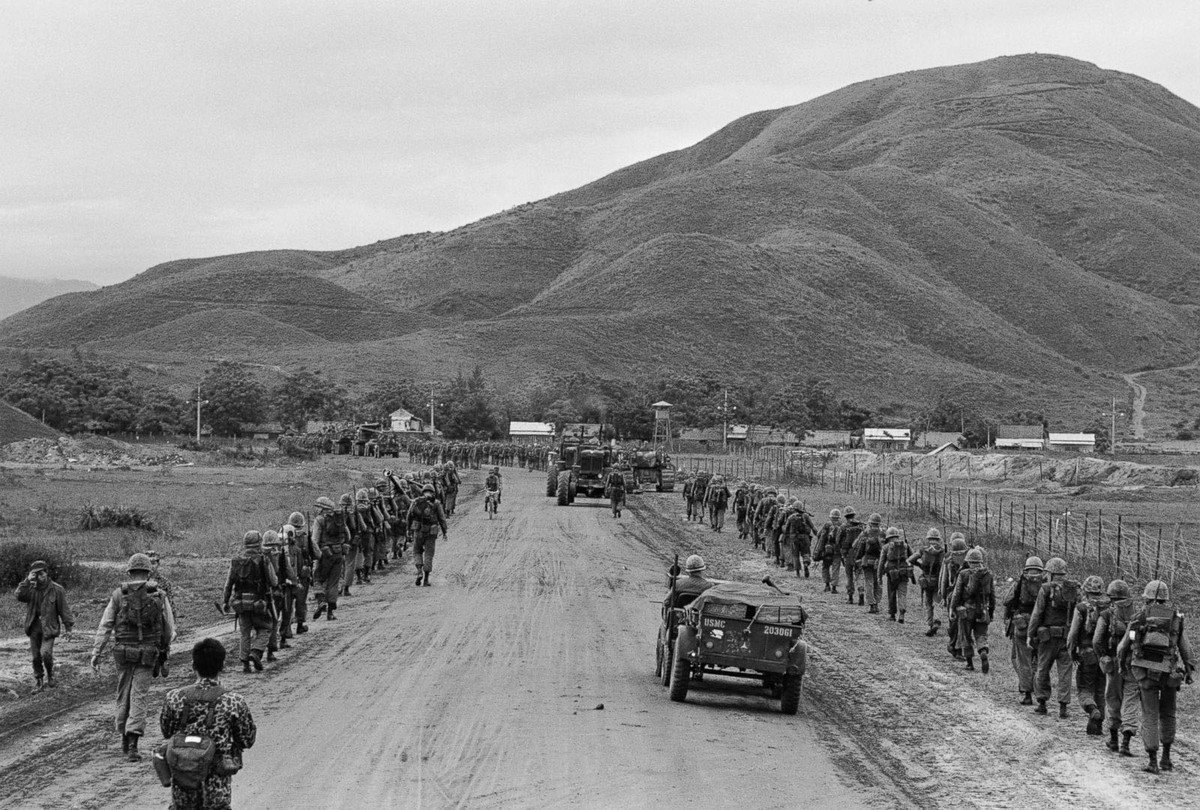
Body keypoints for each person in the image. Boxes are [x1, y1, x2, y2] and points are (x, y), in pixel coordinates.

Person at [90, 553, 175, 761]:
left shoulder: (119, 595)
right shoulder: (159, 595)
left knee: (123, 694)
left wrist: (96, 653)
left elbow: (106, 625)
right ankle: (133, 743)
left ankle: (123, 739)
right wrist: (164, 649)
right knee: (139, 696)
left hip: (123, 654)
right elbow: (168, 627)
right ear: (148, 572)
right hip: (147, 654)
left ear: (129, 572)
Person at [159, 638, 257, 810]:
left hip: (183, 783)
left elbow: (167, 731)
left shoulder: (174, 697)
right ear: (222, 666)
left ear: (193, 666)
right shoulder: (233, 701)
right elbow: (247, 739)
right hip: (217, 787)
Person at [1116, 580, 1196, 774]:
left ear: (1148, 598)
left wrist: (1121, 665)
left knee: (1149, 714)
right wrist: (1189, 671)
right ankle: (1166, 758)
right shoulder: (1177, 618)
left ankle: (1152, 761)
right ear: (1165, 598)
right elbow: (1186, 649)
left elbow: (1123, 646)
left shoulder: (1139, 617)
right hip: (1169, 672)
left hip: (1145, 674)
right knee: (1168, 713)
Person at [1093, 579, 1140, 757]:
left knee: (1112, 698)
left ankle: (1113, 739)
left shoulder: (1106, 614)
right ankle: (1126, 742)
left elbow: (1097, 640)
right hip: (1133, 663)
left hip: (1113, 662)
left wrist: (1102, 655)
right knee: (1130, 700)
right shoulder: (1136, 614)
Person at [221, 531, 278, 674]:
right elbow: (273, 581)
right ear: (259, 544)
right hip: (260, 603)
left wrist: (225, 602)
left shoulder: (236, 561)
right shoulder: (264, 560)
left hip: (240, 604)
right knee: (266, 628)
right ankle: (256, 652)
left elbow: (228, 584)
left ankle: (245, 664)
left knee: (244, 633)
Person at [1027, 557, 1077, 717]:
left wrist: (1030, 634)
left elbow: (1037, 613)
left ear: (1050, 573)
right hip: (1067, 637)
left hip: (1047, 637)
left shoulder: (1045, 589)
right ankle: (1063, 707)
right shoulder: (1073, 589)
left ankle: (1042, 703)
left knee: (1042, 669)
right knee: (1065, 673)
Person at [15, 560, 73, 691]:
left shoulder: (57, 590)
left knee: (46, 654)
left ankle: (50, 674)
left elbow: (64, 609)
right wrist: (27, 581)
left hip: (49, 627)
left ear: (46, 573)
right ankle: (39, 680)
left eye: (42, 573)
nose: (40, 576)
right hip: (34, 626)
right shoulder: (30, 588)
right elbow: (19, 595)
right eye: (36, 574)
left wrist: (68, 628)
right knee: (36, 656)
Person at [1067, 574, 1108, 735]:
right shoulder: (1109, 608)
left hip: (1087, 654)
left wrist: (1071, 652)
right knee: (1100, 690)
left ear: (1085, 590)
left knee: (1084, 688)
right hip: (1104, 657)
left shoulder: (1081, 607)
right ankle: (1098, 724)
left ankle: (1091, 709)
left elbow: (1073, 633)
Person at [1002, 556, 1046, 704]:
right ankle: (1038, 689)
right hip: (1042, 625)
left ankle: (1027, 693)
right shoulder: (1046, 583)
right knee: (1039, 660)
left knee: (1021, 659)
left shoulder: (1021, 581)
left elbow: (1006, 600)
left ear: (1026, 568)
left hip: (1022, 624)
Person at [949, 547, 995, 672]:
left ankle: (969, 663)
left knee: (965, 636)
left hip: (967, 610)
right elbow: (992, 595)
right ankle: (983, 652)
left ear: (968, 561)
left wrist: (952, 608)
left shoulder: (963, 574)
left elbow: (957, 593)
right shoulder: (988, 575)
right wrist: (991, 612)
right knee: (981, 635)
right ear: (981, 561)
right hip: (983, 610)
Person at [261, 530, 297, 662]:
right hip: (279, 590)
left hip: (263, 593)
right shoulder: (281, 556)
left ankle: (263, 649)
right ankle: (274, 647)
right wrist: (294, 582)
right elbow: (290, 572)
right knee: (279, 618)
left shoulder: (261, 557)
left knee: (265, 622)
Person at [407, 483, 449, 586]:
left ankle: (419, 571)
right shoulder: (436, 503)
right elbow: (442, 519)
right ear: (433, 492)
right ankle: (426, 579)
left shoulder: (416, 501)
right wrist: (444, 532)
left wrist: (408, 530)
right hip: (431, 532)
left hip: (418, 531)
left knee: (417, 551)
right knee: (429, 554)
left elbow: (409, 516)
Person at [310, 496, 344, 621]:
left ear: (322, 508)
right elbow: (347, 535)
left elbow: (314, 540)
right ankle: (330, 613)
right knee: (333, 583)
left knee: (318, 578)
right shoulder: (339, 519)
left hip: (324, 555)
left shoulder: (319, 520)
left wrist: (315, 557)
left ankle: (321, 601)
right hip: (338, 553)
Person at [907, 529, 944, 636]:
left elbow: (910, 560)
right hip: (937, 580)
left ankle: (930, 624)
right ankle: (937, 621)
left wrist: (920, 566)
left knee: (928, 603)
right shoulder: (941, 551)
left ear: (928, 538)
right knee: (938, 602)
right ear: (938, 539)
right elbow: (943, 566)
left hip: (925, 580)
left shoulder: (923, 550)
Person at [940, 534, 970, 659]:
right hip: (965, 596)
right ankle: (958, 648)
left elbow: (943, 579)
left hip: (952, 595)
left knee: (954, 621)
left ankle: (955, 647)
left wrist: (942, 595)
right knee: (962, 622)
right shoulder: (969, 562)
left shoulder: (948, 561)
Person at [878, 526, 913, 623]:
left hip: (891, 575)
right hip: (904, 573)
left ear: (888, 537)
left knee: (891, 594)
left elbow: (881, 563)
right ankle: (901, 614)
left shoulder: (886, 547)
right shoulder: (905, 545)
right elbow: (913, 556)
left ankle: (892, 614)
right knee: (902, 594)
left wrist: (879, 577)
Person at [853, 513, 885, 614]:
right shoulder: (883, 533)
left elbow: (855, 545)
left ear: (870, 522)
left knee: (869, 583)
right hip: (879, 562)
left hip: (866, 562)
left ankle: (872, 605)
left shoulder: (865, 532)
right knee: (878, 582)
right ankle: (877, 604)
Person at [837, 507, 864, 604]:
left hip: (848, 554)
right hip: (859, 554)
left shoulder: (843, 527)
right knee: (859, 574)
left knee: (849, 576)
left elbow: (838, 540)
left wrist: (842, 551)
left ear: (845, 516)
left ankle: (850, 597)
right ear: (854, 514)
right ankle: (861, 592)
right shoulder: (861, 526)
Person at [814, 509, 842, 593]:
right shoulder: (841, 525)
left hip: (827, 550)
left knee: (825, 567)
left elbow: (819, 535)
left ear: (831, 517)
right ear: (839, 517)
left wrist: (819, 549)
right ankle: (834, 587)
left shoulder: (827, 524)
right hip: (837, 550)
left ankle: (827, 585)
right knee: (836, 568)